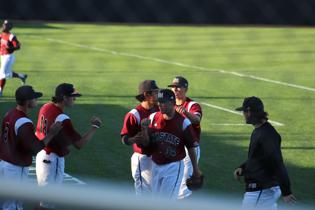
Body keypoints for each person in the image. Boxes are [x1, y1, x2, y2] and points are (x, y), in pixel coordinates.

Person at [35, 83, 102, 210]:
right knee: (48, 203)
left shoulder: (45, 107)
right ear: (64, 98)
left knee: (42, 199)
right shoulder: (63, 118)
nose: (75, 99)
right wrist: (95, 127)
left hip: (41, 155)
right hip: (51, 160)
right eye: (73, 96)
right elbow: (79, 144)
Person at [0, 85, 62, 210]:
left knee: (5, 204)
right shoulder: (24, 121)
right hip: (15, 170)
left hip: (4, 165)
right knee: (13, 206)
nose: (36, 101)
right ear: (27, 101)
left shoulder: (9, 114)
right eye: (35, 98)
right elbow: (35, 148)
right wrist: (51, 133)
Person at [233, 96, 296, 209]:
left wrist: (286, 191)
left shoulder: (268, 135)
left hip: (262, 189)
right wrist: (243, 168)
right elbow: (257, 158)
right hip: (261, 189)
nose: (244, 115)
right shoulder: (258, 131)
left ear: (250, 112)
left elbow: (277, 163)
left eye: (245, 111)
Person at [140, 89, 202, 200]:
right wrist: (144, 130)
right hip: (155, 165)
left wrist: (196, 170)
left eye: (163, 102)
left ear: (172, 103)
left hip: (173, 167)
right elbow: (146, 143)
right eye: (159, 101)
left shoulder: (183, 122)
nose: (160, 104)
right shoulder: (153, 117)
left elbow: (191, 148)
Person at [120, 80, 159, 195]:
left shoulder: (159, 110)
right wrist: (133, 140)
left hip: (158, 158)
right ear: (147, 95)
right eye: (155, 92)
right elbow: (124, 138)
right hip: (143, 159)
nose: (158, 95)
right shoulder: (134, 114)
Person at [168, 76, 202, 199]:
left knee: (184, 185)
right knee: (171, 180)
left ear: (185, 89)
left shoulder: (192, 105)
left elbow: (197, 119)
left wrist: (186, 113)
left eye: (178, 87)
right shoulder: (168, 105)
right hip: (172, 147)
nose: (175, 89)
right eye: (173, 87)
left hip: (189, 149)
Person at [0, 20, 28, 97]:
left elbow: (18, 46)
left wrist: (11, 48)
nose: (3, 26)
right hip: (2, 56)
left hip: (8, 57)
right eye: (3, 24)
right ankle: (22, 76)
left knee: (2, 74)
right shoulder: (1, 35)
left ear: (9, 27)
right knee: (7, 74)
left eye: (5, 25)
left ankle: (0, 91)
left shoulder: (11, 36)